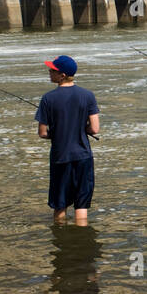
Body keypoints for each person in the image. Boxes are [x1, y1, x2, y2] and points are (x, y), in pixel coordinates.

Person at [35, 55, 100, 225]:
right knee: (81, 204)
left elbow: (42, 133)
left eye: (52, 70)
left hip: (60, 156)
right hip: (83, 156)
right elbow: (94, 129)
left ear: (62, 75)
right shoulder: (88, 95)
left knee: (60, 204)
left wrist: (56, 132)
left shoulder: (48, 98)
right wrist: (80, 128)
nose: (49, 72)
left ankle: (62, 240)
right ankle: (80, 240)